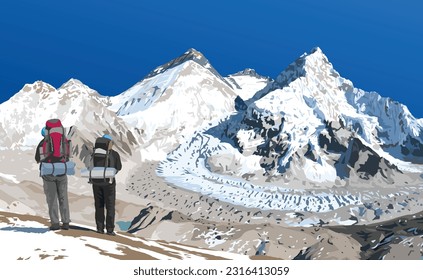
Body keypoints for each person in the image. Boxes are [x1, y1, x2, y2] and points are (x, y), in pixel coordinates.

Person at [35, 123, 71, 231]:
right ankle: (66, 223)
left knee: (52, 199)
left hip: (48, 173)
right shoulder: (63, 140)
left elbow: (37, 158)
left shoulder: (42, 143)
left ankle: (55, 223)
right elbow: (68, 156)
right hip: (62, 172)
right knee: (63, 197)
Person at [89, 134, 122, 236]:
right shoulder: (114, 154)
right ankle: (110, 229)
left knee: (99, 205)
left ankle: (99, 228)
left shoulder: (94, 154)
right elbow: (119, 167)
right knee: (110, 206)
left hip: (96, 182)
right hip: (109, 183)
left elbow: (90, 166)